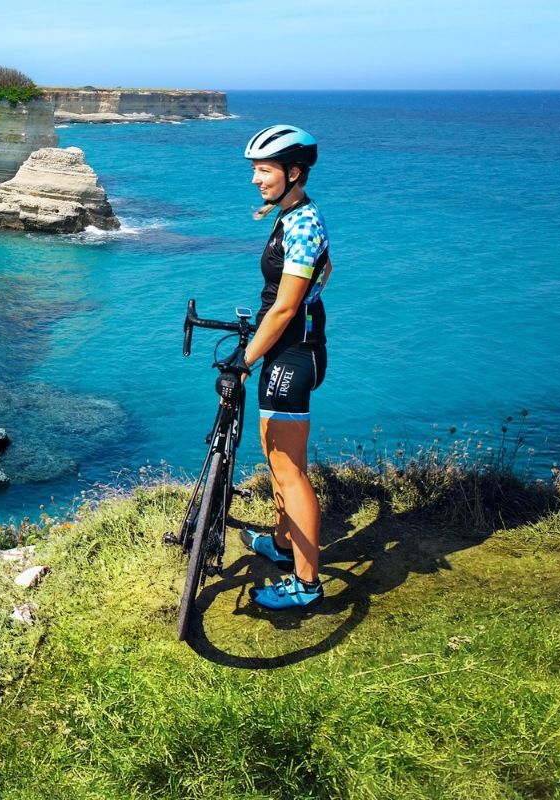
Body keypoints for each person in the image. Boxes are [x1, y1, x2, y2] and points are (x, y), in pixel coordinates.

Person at [237, 124, 331, 610]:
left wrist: (243, 359)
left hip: (292, 355)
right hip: (288, 349)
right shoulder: (290, 215)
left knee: (289, 471)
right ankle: (281, 544)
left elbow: (285, 308)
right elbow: (324, 272)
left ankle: (308, 585)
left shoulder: (304, 223)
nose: (256, 179)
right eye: (254, 170)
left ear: (294, 172)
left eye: (264, 170)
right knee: (276, 460)